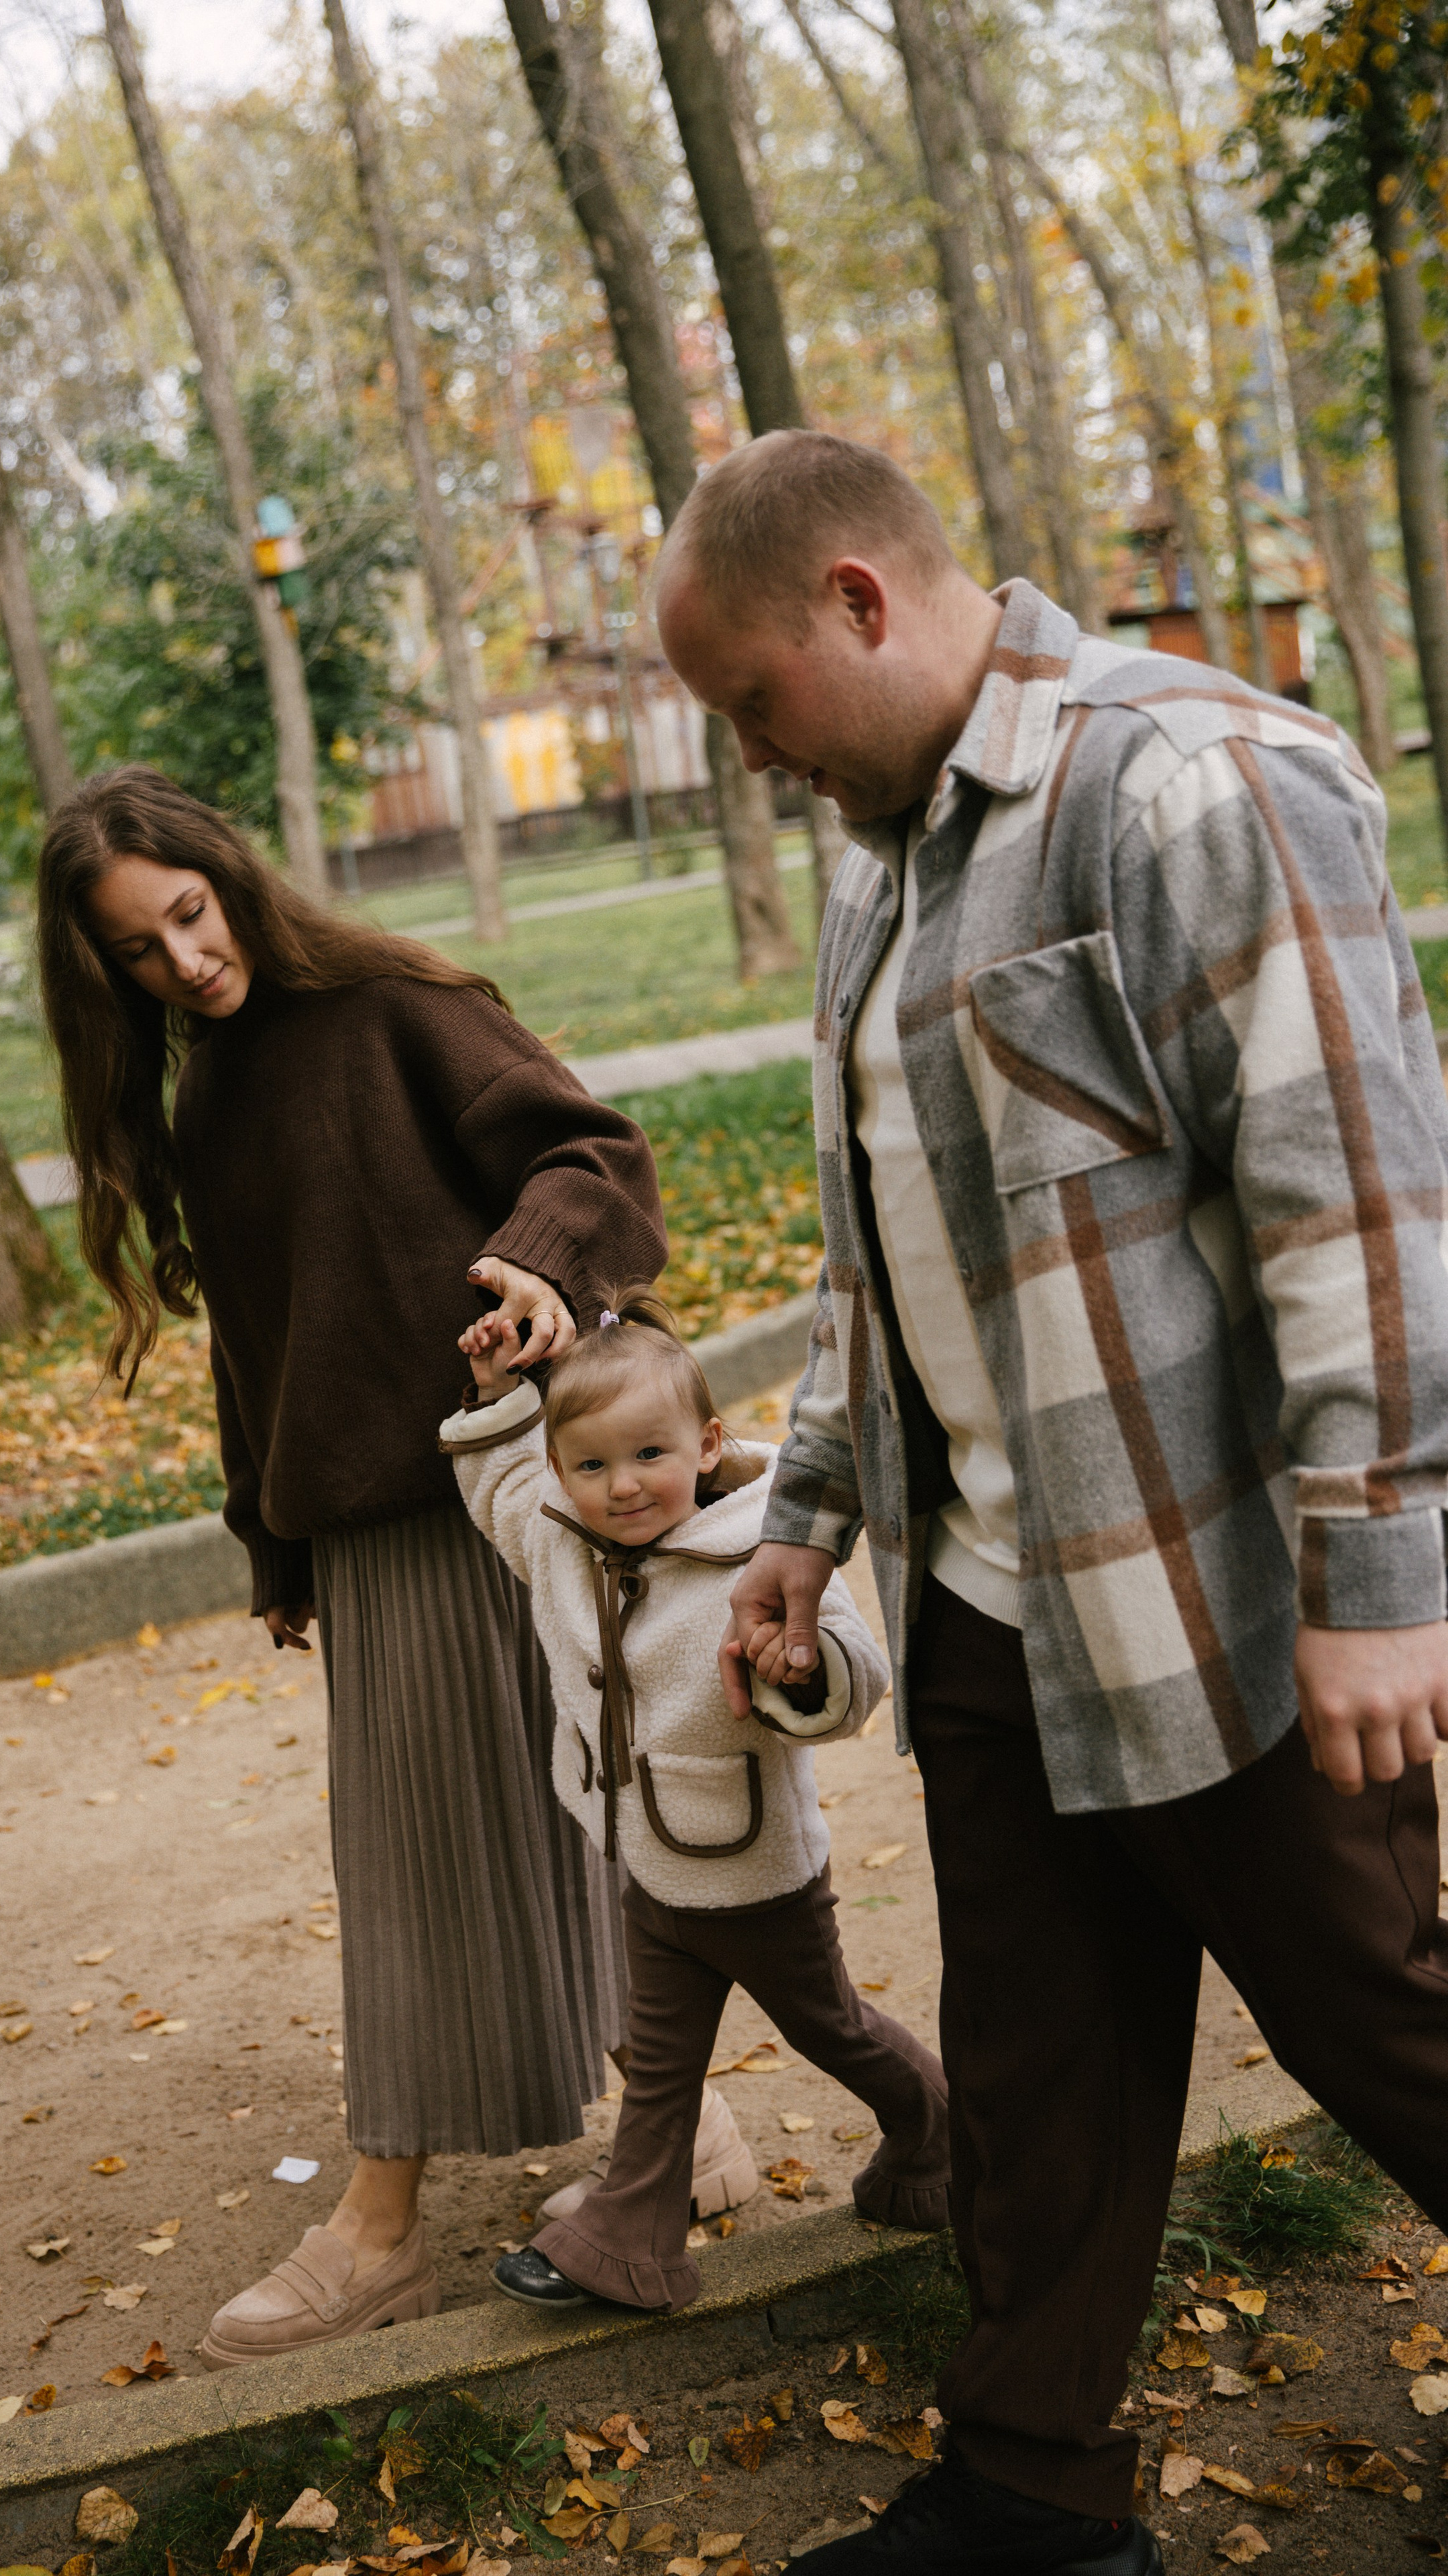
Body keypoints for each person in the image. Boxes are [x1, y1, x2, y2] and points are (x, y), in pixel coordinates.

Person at [653, 431, 1448, 2576]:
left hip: (1228, 1605)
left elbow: (1357, 1203)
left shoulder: (1191, 781)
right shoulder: (881, 857)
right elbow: (891, 1247)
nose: (755, 757)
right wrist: (811, 1504)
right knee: (1041, 2071)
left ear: (855, 598)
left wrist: (1380, 1571)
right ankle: (1033, 2498)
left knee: (1393, 2022)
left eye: (752, 702)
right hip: (997, 1611)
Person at [34, 765, 755, 2363]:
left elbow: (593, 1154)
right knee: (452, 1841)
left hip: (521, 1481)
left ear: (228, 877)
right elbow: (256, 1339)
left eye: (189, 917)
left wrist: (537, 1261)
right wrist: (270, 1536)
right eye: (137, 953)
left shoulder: (386, 1006)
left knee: (576, 1812)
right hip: (372, 1521)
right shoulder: (203, 1098)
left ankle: (540, 2172)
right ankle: (514, 2176)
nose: (183, 964)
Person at [437, 1286, 948, 2314]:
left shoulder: (765, 1548)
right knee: (663, 2069)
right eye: (591, 1465)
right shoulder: (560, 1537)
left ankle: (949, 2136)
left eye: (649, 1457)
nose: (622, 1488)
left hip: (753, 1873)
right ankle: (630, 2242)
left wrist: (791, 1669)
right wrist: (498, 1394)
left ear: (707, 1444)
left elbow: (851, 1677)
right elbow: (499, 1491)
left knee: (832, 2029)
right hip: (647, 1861)